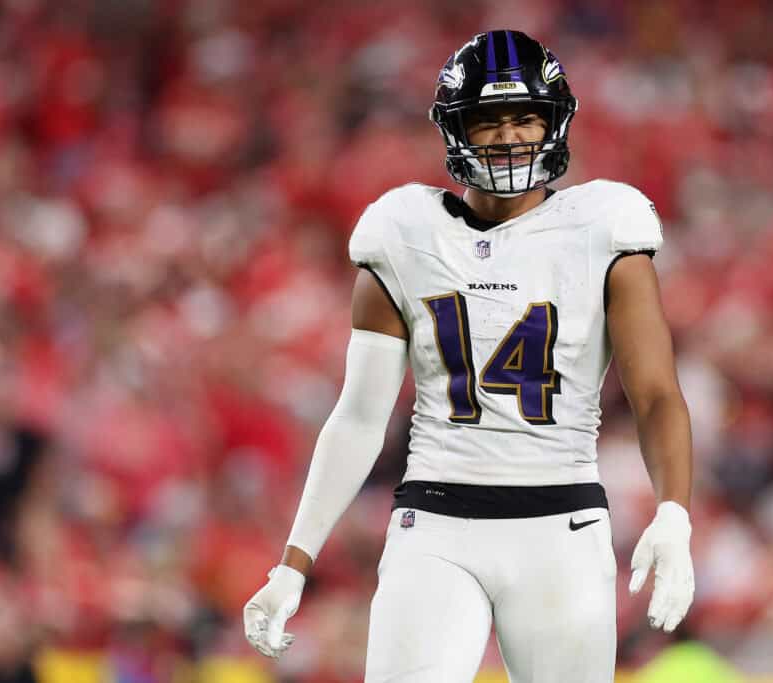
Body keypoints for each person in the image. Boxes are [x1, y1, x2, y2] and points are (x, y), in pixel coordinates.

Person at [243, 30, 695, 683]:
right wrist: (294, 560)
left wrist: (674, 510)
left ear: (555, 121)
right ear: (457, 130)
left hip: (559, 521)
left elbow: (656, 394)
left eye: (525, 117)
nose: (510, 137)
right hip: (434, 520)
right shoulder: (403, 234)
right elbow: (360, 415)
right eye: (489, 120)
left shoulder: (605, 229)